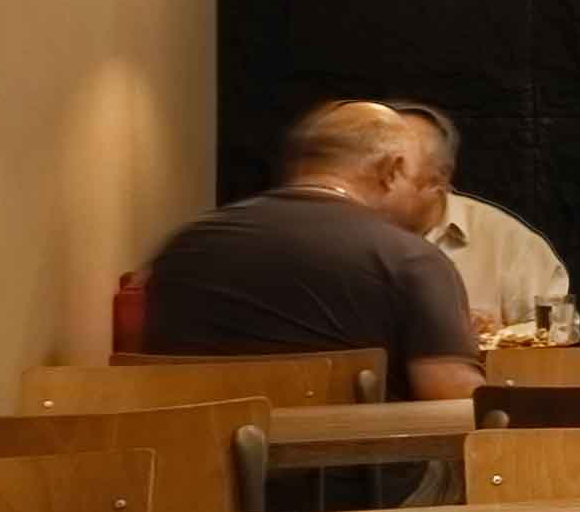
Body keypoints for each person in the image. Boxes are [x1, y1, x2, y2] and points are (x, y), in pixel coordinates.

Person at [136, 100, 483, 398]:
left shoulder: (183, 247)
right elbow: (453, 399)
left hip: (193, 457)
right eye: (416, 180)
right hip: (353, 458)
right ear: (390, 171)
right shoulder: (410, 259)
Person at [388, 102, 570, 333]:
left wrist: (497, 335)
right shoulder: (348, 234)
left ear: (439, 179)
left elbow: (555, 329)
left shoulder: (509, 242)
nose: (375, 182)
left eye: (392, 171)